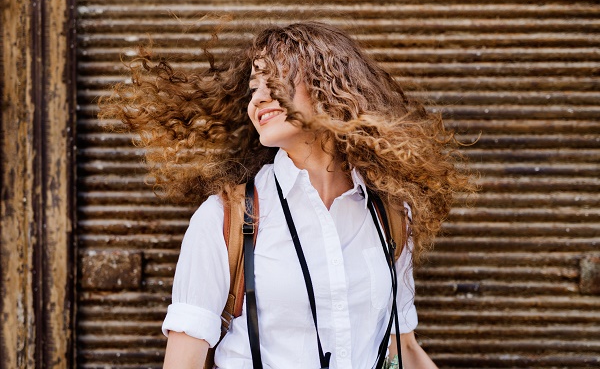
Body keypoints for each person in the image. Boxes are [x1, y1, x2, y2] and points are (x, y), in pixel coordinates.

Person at [100, 21, 473, 368]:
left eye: (274, 82)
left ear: (332, 86)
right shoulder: (223, 219)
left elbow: (402, 347)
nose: (259, 99)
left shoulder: (389, 215)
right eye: (253, 89)